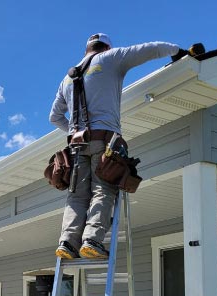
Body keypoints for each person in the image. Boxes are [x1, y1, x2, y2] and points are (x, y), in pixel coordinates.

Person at [50, 33, 184, 259]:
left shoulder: (67, 79)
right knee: (103, 188)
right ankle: (92, 239)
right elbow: (150, 48)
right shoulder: (111, 58)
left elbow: (54, 117)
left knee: (77, 195)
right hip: (104, 141)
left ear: (87, 49)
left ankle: (67, 242)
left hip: (76, 146)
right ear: (106, 47)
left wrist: (75, 131)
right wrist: (179, 52)